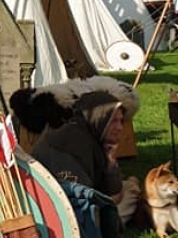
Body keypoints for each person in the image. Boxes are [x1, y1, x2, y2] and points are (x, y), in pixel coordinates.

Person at [30, 91, 140, 237]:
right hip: (59, 212)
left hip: (75, 198)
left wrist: (111, 162)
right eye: (113, 121)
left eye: (121, 121)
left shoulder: (89, 132)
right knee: (130, 192)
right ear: (99, 118)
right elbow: (82, 198)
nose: (119, 127)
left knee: (130, 186)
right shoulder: (74, 142)